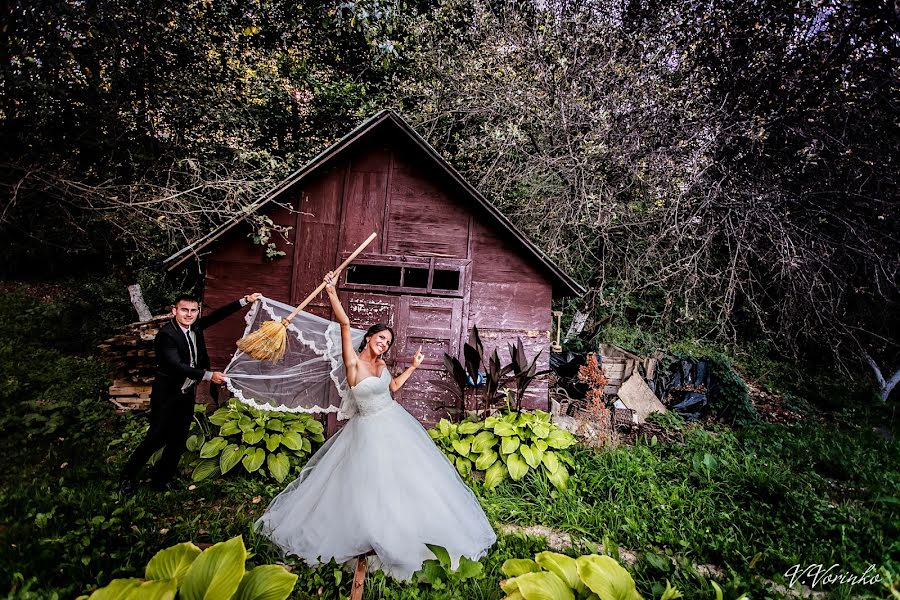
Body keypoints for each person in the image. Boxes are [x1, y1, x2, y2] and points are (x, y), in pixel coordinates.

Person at [255, 271, 496, 581]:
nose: (384, 345)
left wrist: (412, 367)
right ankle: (368, 531)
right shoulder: (353, 362)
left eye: (388, 342)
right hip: (368, 428)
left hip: (395, 421)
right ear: (368, 337)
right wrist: (331, 292)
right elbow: (343, 324)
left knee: (410, 478)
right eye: (381, 338)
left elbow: (392, 388)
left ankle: (414, 527)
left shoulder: (382, 365)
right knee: (369, 480)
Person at [120, 292, 261, 493]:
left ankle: (162, 480)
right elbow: (176, 366)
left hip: (186, 393)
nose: (189, 314)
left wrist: (244, 300)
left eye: (193, 310)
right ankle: (127, 476)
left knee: (178, 438)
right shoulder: (167, 335)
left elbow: (217, 315)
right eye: (184, 310)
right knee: (156, 437)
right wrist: (208, 375)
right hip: (166, 394)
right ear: (174, 311)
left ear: (197, 312)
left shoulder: (195, 326)